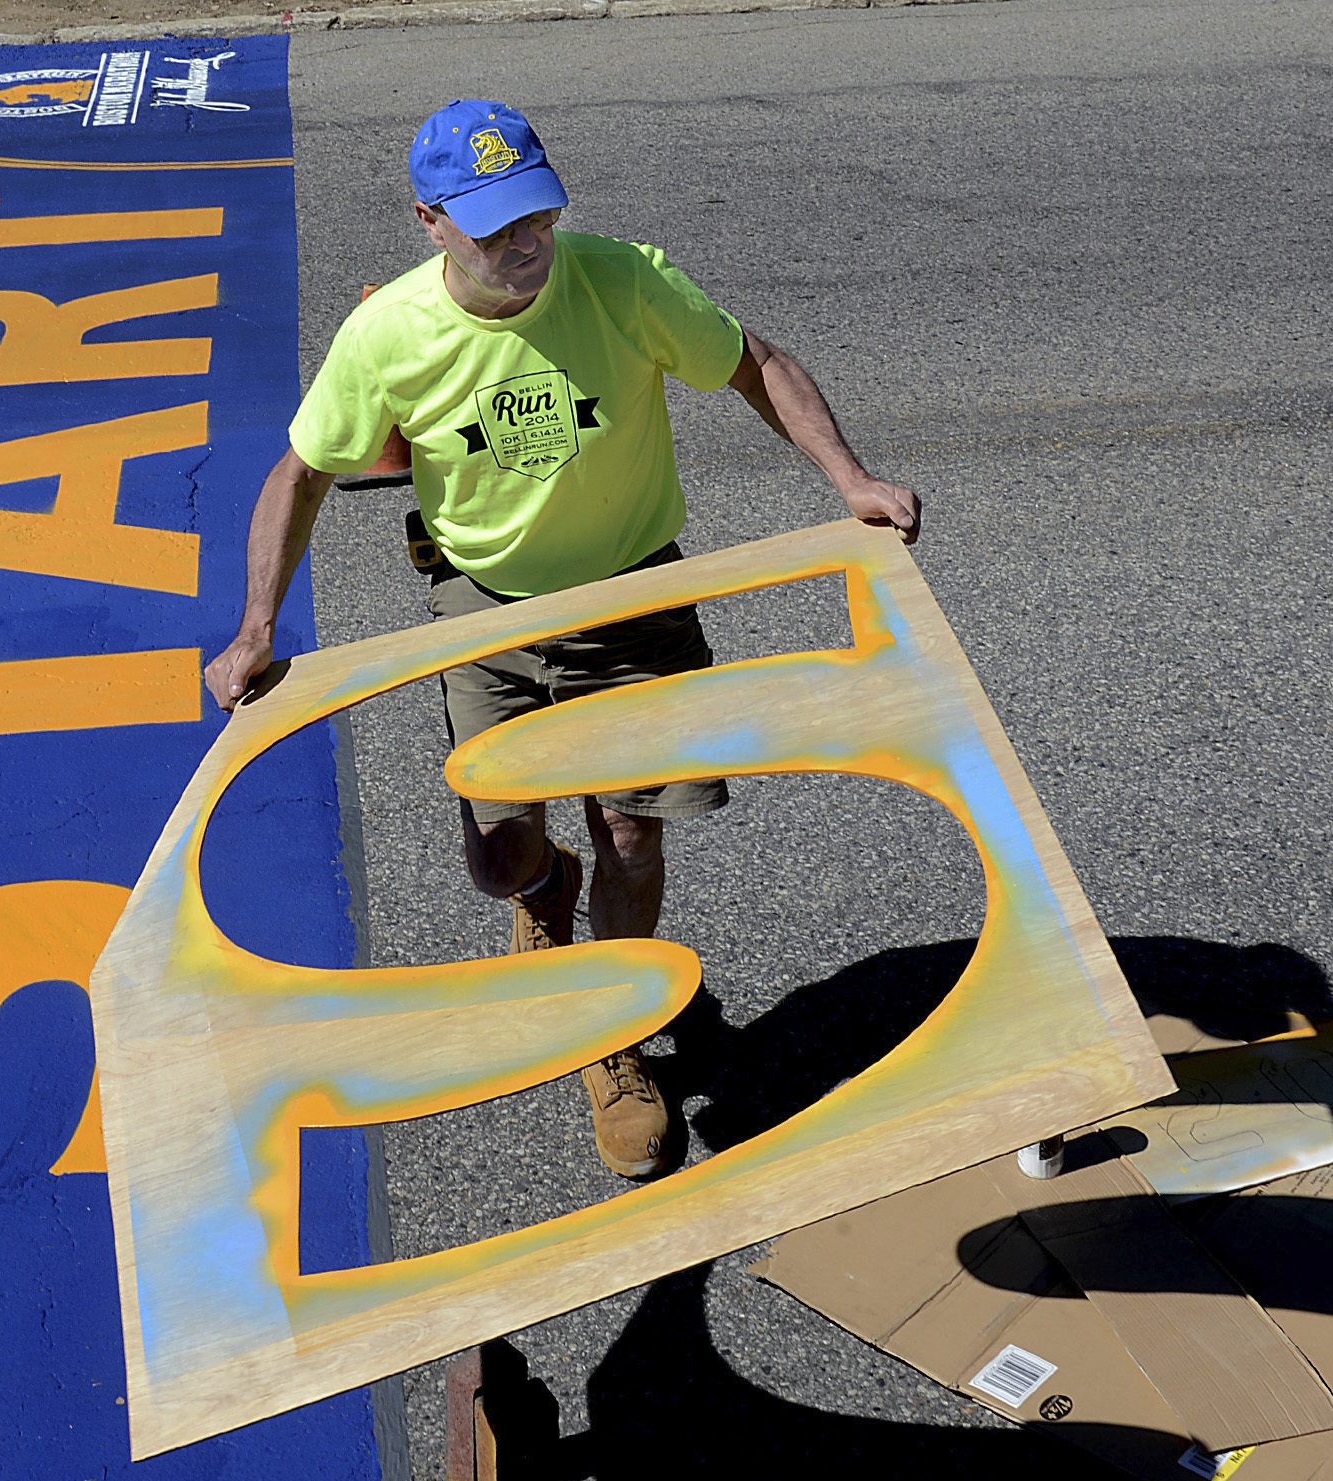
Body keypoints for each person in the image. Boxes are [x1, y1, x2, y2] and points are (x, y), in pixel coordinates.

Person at [203, 99, 920, 1181]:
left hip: (632, 595)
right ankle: (543, 906)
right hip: (487, 608)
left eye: (534, 214)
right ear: (429, 221)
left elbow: (751, 362)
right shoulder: (387, 334)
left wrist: (850, 481)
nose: (523, 244)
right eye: (492, 228)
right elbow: (300, 472)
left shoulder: (620, 279)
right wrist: (254, 626)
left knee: (632, 836)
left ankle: (612, 1044)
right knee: (501, 861)